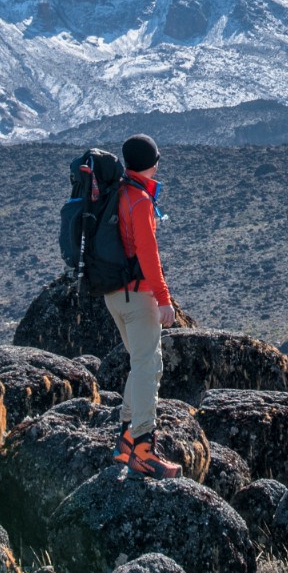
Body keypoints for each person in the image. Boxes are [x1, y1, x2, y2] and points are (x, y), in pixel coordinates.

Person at [103, 133, 180, 478]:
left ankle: (125, 440)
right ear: (152, 162)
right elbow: (149, 256)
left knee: (139, 361)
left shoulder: (114, 193)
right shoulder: (139, 200)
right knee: (149, 365)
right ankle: (144, 450)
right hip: (138, 297)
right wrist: (164, 300)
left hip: (113, 296)